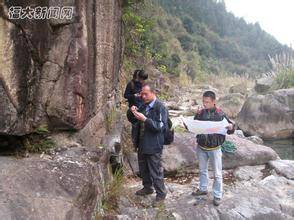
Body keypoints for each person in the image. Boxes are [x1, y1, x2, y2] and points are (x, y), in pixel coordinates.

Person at [127, 83, 168, 207]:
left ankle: (161, 194)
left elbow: (161, 126)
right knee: (143, 168)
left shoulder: (160, 107)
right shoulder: (143, 105)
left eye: (146, 94)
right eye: (142, 94)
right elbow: (133, 120)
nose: (143, 96)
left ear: (153, 93)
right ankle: (147, 187)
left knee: (155, 170)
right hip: (142, 143)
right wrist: (131, 111)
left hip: (154, 144)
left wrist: (145, 119)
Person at [192, 91, 235, 206]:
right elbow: (194, 125)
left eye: (207, 102)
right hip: (201, 147)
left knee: (217, 174)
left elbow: (231, 129)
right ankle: (203, 188)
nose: (205, 104)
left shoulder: (220, 114)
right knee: (202, 170)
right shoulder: (200, 113)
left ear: (214, 102)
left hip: (215, 148)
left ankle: (217, 195)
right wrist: (190, 124)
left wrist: (231, 127)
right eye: (203, 101)